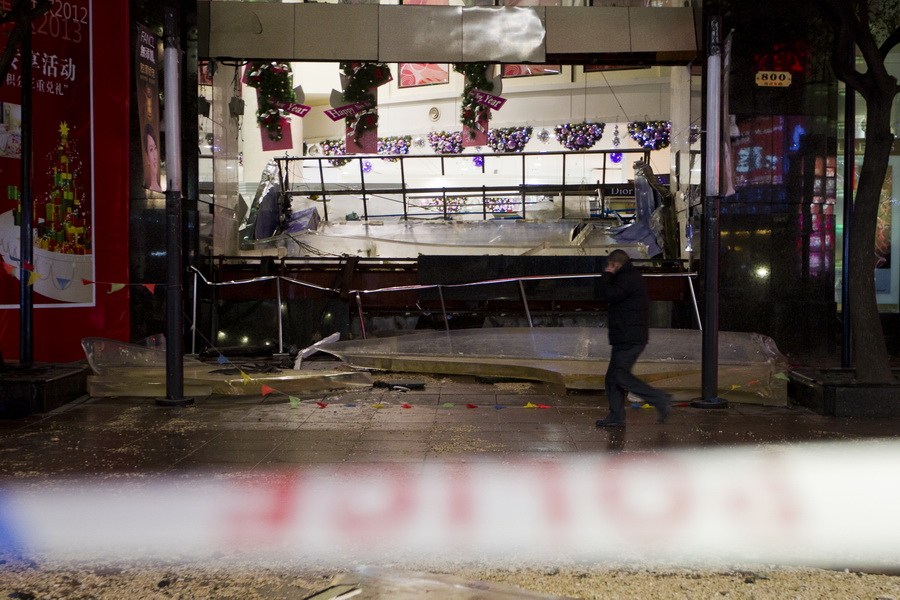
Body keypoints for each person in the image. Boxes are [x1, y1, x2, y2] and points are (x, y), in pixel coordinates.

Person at [595, 249, 671, 428]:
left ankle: (660, 399)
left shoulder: (627, 279)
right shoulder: (628, 276)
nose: (607, 268)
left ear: (615, 265)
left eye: (610, 265)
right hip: (626, 335)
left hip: (629, 336)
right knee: (612, 377)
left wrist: (606, 276)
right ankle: (616, 416)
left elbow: (610, 295)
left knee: (620, 375)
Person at [144, 124, 163, 192]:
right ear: (147, 158)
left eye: (155, 148)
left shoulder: (160, 188)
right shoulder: (149, 188)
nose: (155, 155)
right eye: (151, 149)